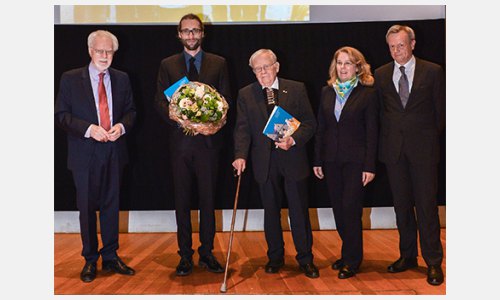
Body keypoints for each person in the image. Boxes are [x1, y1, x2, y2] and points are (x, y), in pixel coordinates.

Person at [55, 30, 136, 283]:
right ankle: (90, 259)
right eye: (100, 51)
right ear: (90, 51)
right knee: (87, 208)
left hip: (114, 150)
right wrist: (90, 130)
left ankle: (111, 256)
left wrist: (121, 127)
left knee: (112, 206)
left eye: (109, 51)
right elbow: (61, 116)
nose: (104, 55)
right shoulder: (70, 78)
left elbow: (132, 112)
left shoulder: (122, 78)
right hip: (84, 152)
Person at [154, 13, 231, 276]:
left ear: (202, 34)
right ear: (179, 34)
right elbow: (159, 102)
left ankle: (207, 252)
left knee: (209, 200)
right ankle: (185, 255)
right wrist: (180, 120)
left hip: (209, 146)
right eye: (186, 31)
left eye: (195, 31)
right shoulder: (168, 64)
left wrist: (210, 125)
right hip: (180, 146)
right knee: (182, 200)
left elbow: (225, 102)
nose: (191, 36)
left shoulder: (218, 63)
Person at [232, 49, 319, 278]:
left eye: (266, 67)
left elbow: (310, 124)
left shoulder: (297, 88)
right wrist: (240, 155)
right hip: (264, 161)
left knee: (299, 211)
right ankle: (275, 257)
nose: (263, 72)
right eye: (257, 69)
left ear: (277, 66)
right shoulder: (246, 94)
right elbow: (242, 129)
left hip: (292, 158)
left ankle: (305, 259)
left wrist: (294, 139)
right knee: (271, 212)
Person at [374, 25, 445, 286]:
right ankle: (407, 256)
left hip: (423, 151)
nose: (396, 51)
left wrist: (421, 137)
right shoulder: (381, 75)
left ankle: (433, 262)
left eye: (401, 45)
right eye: (392, 46)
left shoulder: (433, 71)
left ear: (413, 44)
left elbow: (441, 113)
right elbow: (381, 114)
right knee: (402, 207)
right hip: (394, 152)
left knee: (426, 207)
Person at [312, 46, 378, 279]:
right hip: (331, 160)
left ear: (358, 67)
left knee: (351, 209)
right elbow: (321, 129)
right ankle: (347, 252)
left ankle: (352, 259)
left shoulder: (368, 94)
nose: (343, 68)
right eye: (339, 63)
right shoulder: (326, 92)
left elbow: (372, 132)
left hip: (356, 162)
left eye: (348, 63)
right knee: (339, 210)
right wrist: (317, 159)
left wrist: (370, 165)